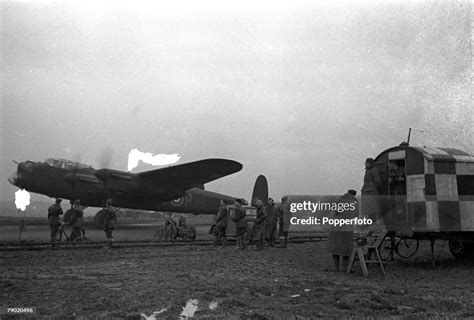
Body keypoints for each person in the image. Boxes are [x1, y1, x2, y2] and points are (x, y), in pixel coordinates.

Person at [327, 190, 359, 272]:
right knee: (346, 248)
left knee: (335, 247)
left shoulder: (339, 200)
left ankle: (336, 267)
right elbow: (356, 215)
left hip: (336, 227)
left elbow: (332, 214)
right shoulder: (355, 202)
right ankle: (344, 268)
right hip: (347, 228)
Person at [361, 158, 382, 225]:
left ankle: (375, 224)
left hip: (371, 193)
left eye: (366, 162)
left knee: (373, 210)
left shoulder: (373, 170)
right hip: (368, 193)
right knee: (370, 210)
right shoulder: (368, 171)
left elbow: (378, 181)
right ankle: (372, 224)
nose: (365, 164)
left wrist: (379, 189)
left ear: (369, 163)